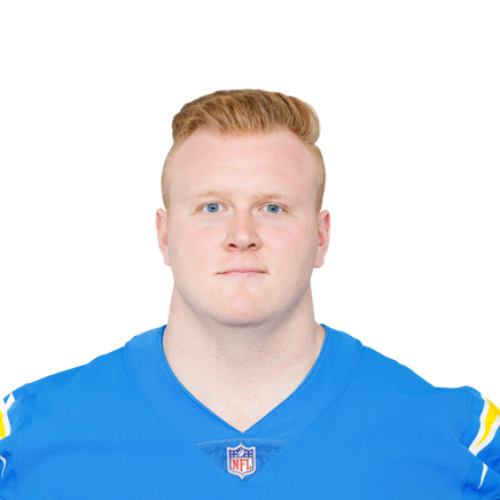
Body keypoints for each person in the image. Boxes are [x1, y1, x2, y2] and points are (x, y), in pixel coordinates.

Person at [1, 89, 498, 499]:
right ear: (164, 235)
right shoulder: (21, 434)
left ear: (321, 236)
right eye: (212, 207)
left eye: (273, 208)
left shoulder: (465, 437)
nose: (242, 235)